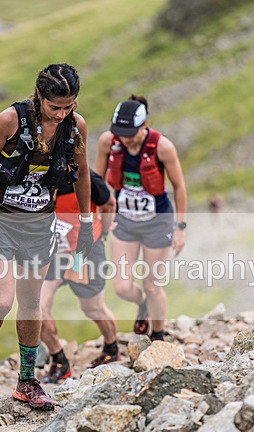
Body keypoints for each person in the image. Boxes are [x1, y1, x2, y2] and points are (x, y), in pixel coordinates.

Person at [0, 63, 93, 410]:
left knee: (31, 303)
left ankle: (27, 381)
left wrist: (87, 222)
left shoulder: (75, 127)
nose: (61, 114)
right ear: (39, 95)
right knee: (1, 301)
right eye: (55, 106)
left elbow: (82, 173)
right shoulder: (9, 121)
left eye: (69, 106)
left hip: (38, 226)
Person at [94, 95, 188, 345]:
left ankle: (157, 336)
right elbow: (97, 182)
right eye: (120, 133)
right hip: (124, 221)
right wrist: (96, 217)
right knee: (122, 287)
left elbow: (179, 187)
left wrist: (180, 227)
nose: (125, 138)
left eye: (130, 133)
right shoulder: (108, 142)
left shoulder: (162, 147)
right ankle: (143, 305)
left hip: (157, 222)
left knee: (152, 285)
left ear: (144, 124)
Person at [40, 169, 119, 383]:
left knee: (92, 308)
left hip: (82, 252)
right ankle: (59, 361)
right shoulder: (35, 175)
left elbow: (109, 204)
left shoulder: (86, 177)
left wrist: (102, 233)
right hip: (53, 252)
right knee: (36, 308)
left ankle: (111, 349)